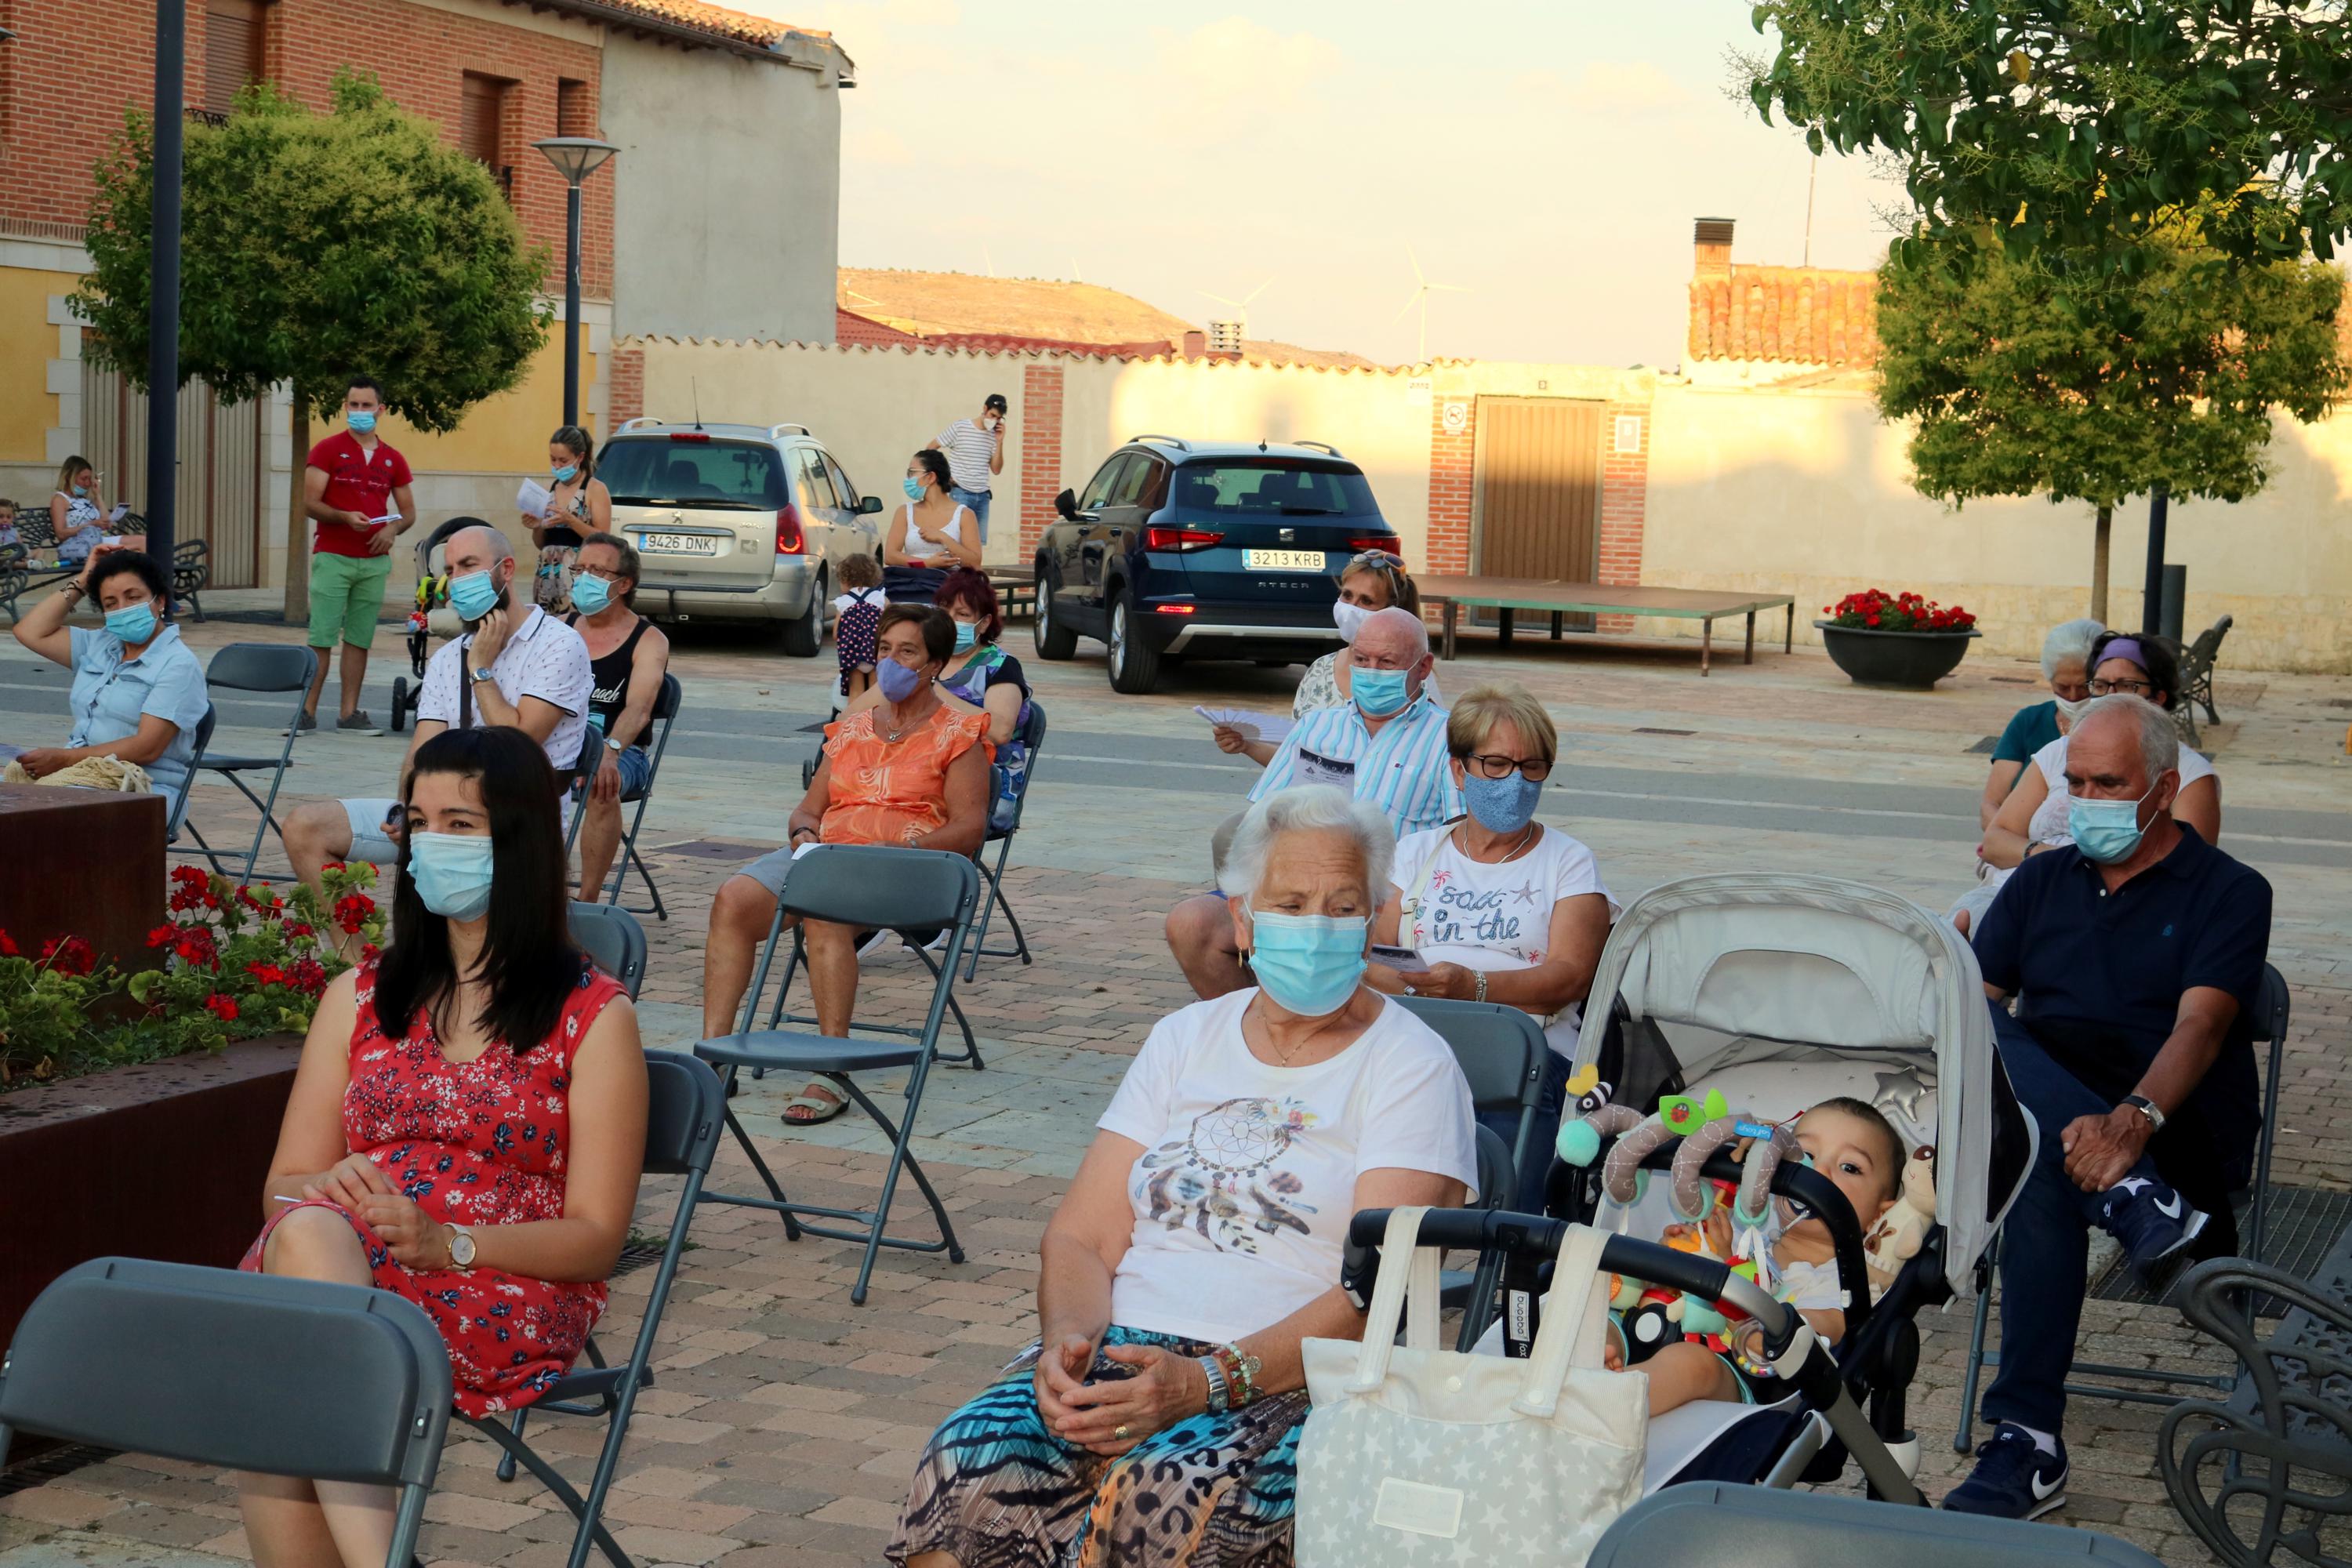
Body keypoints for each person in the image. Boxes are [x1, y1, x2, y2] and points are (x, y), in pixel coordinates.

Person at [888, 786, 1478, 1568]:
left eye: (1343, 905)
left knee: (1159, 1494)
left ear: (1372, 919)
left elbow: (1380, 1287)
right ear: (1242, 920)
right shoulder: (1184, 1037)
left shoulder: (1412, 1062)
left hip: (1287, 1374)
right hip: (1125, 1347)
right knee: (967, 1457)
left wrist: (1203, 1382)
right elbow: (1081, 1235)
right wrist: (1066, 1341)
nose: (1317, 925)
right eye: (1291, 901)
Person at [235, 726, 648, 1568]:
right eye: (417, 819)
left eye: (459, 824)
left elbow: (598, 1236)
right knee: (307, 1246)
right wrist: (328, 1179)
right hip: (345, 1263)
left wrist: (444, 1241)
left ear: (520, 840)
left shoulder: (592, 1017)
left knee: (284, 1376)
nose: (430, 841)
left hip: (498, 1273)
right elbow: (282, 1187)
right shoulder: (360, 994)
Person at [1945, 695, 2272, 1521]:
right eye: (2077, 782)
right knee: (1965, 1014)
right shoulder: (2042, 878)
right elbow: (1976, 1009)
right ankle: (2128, 1203)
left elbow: (2203, 1022)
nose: (2086, 800)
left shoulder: (2230, 890)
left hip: (2177, 1128)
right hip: (2078, 1145)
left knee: (2037, 1171)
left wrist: (2131, 1122)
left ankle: (2027, 1442)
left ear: (2163, 788)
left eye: (2108, 783)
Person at [700, 605, 990, 1125]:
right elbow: (808, 808)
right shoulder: (853, 726)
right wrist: (803, 832)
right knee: (733, 900)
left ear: (936, 665)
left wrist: (908, 852)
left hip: (907, 867)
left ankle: (832, 1070)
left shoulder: (960, 732)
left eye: (907, 652)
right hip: (824, 855)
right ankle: (717, 1058)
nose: (891, 662)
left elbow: (970, 827)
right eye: (884, 650)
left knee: (824, 909)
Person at [1367, 682, 1616, 1207]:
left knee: (1498, 1067)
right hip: (1424, 1033)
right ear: (1460, 771)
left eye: (1532, 767)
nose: (1516, 782)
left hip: (1526, 1045)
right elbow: (1372, 955)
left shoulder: (1567, 862)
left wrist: (1472, 988)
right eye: (1497, 765)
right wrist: (1428, 991)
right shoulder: (1416, 853)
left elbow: (1569, 977)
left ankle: (1509, 1255)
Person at [1167, 606, 1461, 1000]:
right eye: (1361, 659)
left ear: (1422, 668)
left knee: (1349, 941)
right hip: (1298, 888)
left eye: (1386, 663)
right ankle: (1255, 1024)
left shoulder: (1448, 739)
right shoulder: (1318, 727)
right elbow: (1263, 820)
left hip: (1385, 903)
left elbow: (1459, 842)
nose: (1371, 671)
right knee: (1191, 924)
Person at [281, 524, 592, 895]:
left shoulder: (559, 645)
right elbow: (421, 753)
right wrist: (407, 810)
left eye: (468, 565)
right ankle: (354, 956)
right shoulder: (447, 658)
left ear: (506, 570)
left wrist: (480, 669)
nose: (457, 581)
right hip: (441, 815)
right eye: (450, 571)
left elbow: (518, 742)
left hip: (519, 818)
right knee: (305, 826)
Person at [1604, 1098, 1904, 1417]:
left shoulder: (1842, 1281)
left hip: (1734, 1378)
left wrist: (1723, 1276)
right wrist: (1673, 1257)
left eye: (1849, 1167)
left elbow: (1818, 1330)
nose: (1819, 1172)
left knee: (1692, 1363)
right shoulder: (1745, 1237)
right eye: (1805, 1156)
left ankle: (1607, 1407)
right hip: (1649, 1332)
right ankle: (1584, 1374)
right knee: (1597, 1316)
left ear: (1878, 1215)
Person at [1973, 633, 2222, 884]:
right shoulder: (2058, 752)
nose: (2111, 696)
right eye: (2100, 686)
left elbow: (2188, 870)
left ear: (2158, 698)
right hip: (2018, 891)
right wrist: (2050, 857)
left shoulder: (2190, 772)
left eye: (2127, 686)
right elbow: (1995, 841)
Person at [5, 546, 207, 797]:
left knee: (46, 810)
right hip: (80, 775)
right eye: (111, 603)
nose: (123, 608)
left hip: (145, 787)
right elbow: (29, 631)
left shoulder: (178, 664)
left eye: (133, 597)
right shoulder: (100, 645)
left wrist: (64, 758)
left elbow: (147, 748)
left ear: (160, 601)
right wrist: (83, 580)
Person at [1211, 547, 1441, 767]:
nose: (1352, 607)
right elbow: (1295, 760)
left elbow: (1431, 754)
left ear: (1393, 610)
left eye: (1366, 601)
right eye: (1347, 595)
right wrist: (1247, 745)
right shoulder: (1320, 670)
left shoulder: (1410, 677)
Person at [297, 376, 416, 737]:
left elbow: (408, 512)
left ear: (381, 410)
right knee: (321, 636)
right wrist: (344, 517)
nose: (359, 412)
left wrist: (391, 530)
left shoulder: (393, 458)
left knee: (360, 639)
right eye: (353, 405)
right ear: (345, 407)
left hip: (373, 561)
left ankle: (349, 713)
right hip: (333, 555)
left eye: (367, 406)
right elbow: (310, 503)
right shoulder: (327, 450)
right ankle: (307, 711)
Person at [566, 532, 670, 902]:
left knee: (600, 784)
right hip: (561, 745)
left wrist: (608, 751)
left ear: (624, 583)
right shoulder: (562, 628)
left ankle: (587, 903)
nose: (583, 578)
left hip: (623, 751)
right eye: (580, 569)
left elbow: (640, 709)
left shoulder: (648, 639)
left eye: (597, 570)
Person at [1980, 618, 2104, 828]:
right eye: (2063, 687)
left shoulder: (2113, 727)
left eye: (2084, 687)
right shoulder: (2029, 722)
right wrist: (2011, 840)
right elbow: (1992, 803)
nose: (2073, 697)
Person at [525, 425, 612, 615]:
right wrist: (537, 527)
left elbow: (604, 538)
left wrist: (571, 521)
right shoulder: (551, 488)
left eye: (563, 461)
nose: (556, 466)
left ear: (579, 458)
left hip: (578, 575)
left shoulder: (594, 489)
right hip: (547, 576)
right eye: (553, 459)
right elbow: (542, 544)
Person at [883, 450, 982, 597]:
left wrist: (944, 538)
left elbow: (974, 563)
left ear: (930, 477)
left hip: (949, 591)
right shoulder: (905, 511)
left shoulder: (964, 514)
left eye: (912, 472)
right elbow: (890, 556)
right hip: (910, 587)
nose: (908, 478)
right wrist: (926, 564)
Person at [927, 392, 1007, 547]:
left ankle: (972, 573)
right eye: (992, 415)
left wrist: (1000, 442)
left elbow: (996, 469)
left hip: (983, 496)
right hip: (961, 493)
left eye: (998, 418)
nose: (994, 420)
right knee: (955, 543)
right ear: (984, 409)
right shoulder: (960, 427)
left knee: (976, 547)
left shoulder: (993, 436)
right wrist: (943, 476)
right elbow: (931, 448)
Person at [833, 550, 887, 706]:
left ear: (845, 579)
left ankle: (854, 725)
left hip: (852, 654)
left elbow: (836, 634)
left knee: (855, 692)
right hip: (875, 652)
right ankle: (874, 723)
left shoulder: (844, 602)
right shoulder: (880, 598)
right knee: (875, 690)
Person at [48, 456, 107, 566]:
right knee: (138, 544)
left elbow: (107, 523)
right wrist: (91, 524)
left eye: (90, 479)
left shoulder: (85, 499)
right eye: (84, 479)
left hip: (100, 541)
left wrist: (97, 495)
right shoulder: (60, 500)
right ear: (68, 477)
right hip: (79, 545)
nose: (88, 483)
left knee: (142, 542)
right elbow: (61, 534)